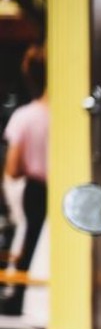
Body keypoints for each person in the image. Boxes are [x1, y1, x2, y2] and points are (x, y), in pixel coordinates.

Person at [3, 44, 47, 315]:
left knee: (30, 244)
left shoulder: (25, 117)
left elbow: (13, 167)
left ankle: (21, 299)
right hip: (62, 190)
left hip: (37, 189)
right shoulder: (64, 116)